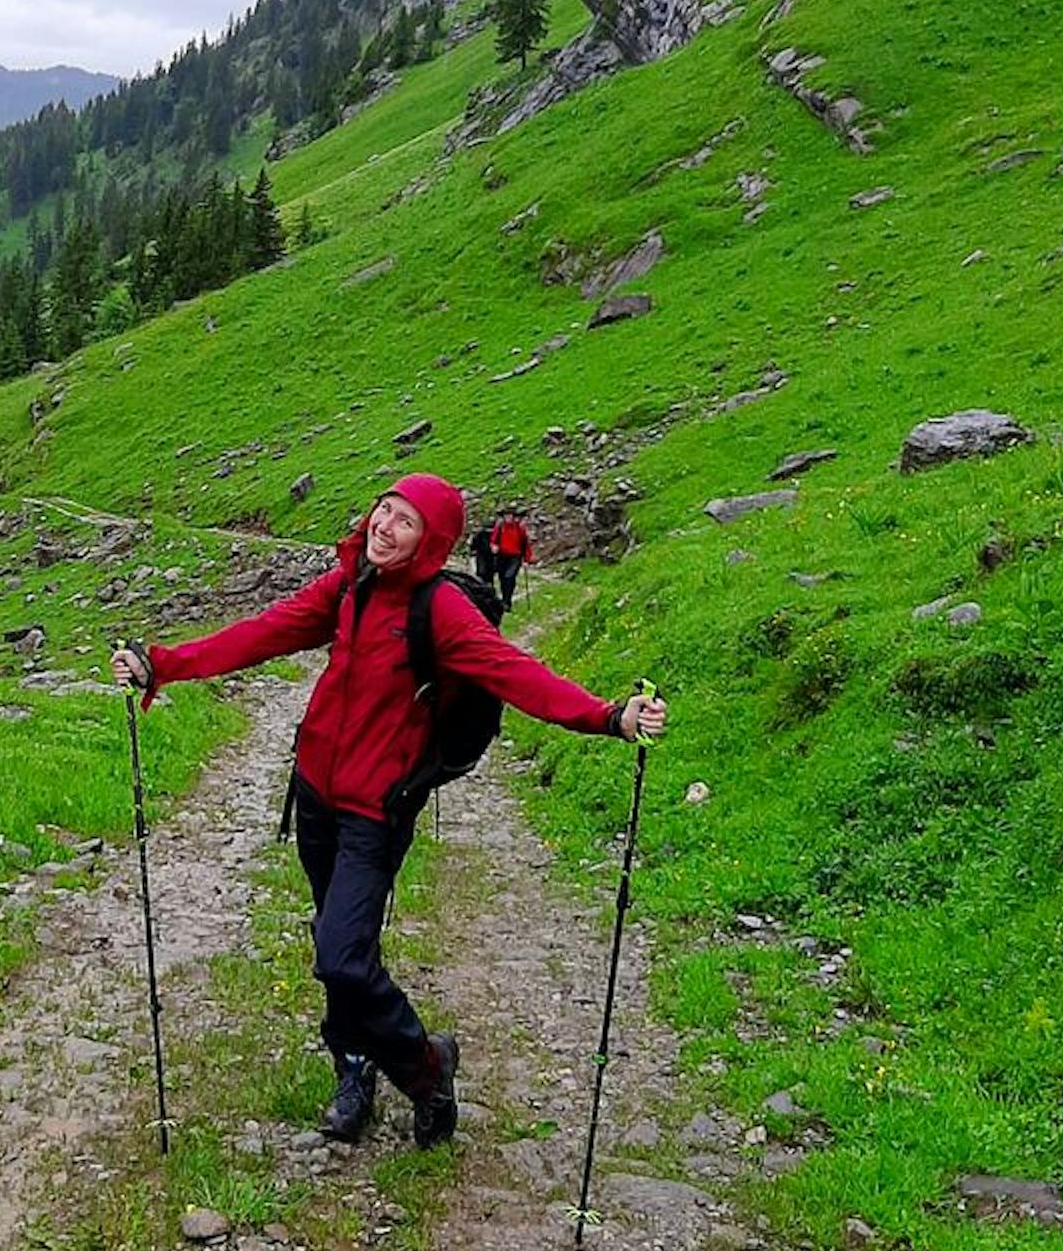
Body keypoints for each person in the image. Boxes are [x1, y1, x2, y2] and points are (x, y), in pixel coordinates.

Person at [111, 473, 666, 1152]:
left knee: (341, 959)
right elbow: (264, 633)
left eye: (405, 521)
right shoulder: (350, 585)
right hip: (315, 793)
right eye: (384, 508)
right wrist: (161, 664)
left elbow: (516, 674)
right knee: (338, 938)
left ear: (429, 541)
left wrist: (609, 716)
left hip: (376, 811)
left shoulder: (442, 611)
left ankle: (426, 1066)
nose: (385, 525)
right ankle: (353, 1069)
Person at [489, 508, 533, 609]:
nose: (508, 518)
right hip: (502, 556)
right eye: (506, 515)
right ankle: (505, 600)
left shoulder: (519, 528)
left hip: (515, 557)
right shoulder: (500, 527)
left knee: (510, 576)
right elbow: (493, 540)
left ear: (513, 517)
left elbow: (525, 545)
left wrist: (527, 559)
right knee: (502, 578)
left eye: (510, 515)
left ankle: (507, 601)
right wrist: (494, 546)